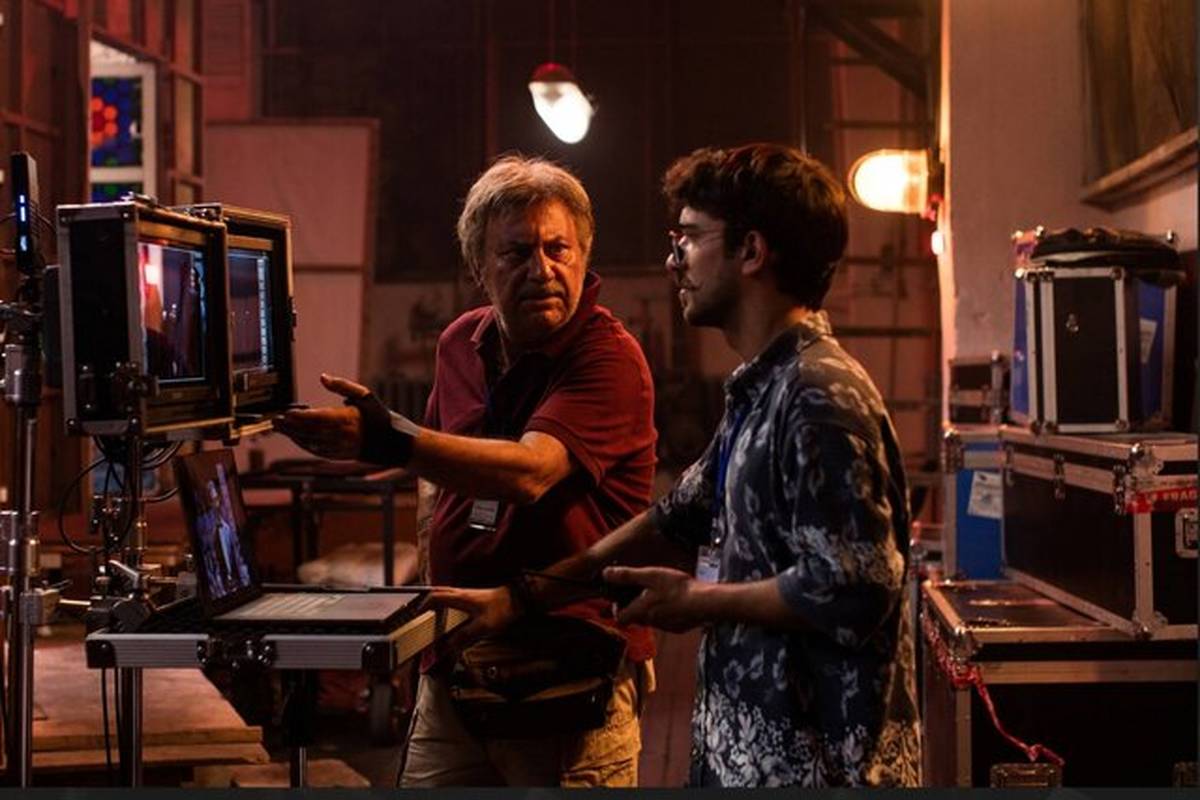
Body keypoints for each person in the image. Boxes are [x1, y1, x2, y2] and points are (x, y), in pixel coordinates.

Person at [427, 143, 922, 788]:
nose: (673, 260)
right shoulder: (760, 391)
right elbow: (673, 519)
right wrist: (522, 599)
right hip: (753, 759)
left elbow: (856, 587)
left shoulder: (818, 395)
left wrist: (699, 600)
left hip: (819, 768)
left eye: (689, 237)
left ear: (750, 252)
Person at [273, 154, 658, 787]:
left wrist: (387, 441)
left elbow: (532, 471)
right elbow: (436, 472)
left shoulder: (608, 357)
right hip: (457, 659)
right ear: (479, 266)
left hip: (570, 671)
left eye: (558, 249)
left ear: (585, 255)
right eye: (516, 253)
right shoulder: (460, 342)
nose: (542, 270)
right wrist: (432, 570)